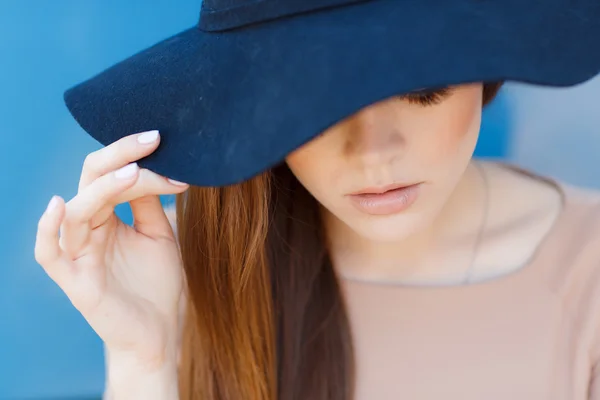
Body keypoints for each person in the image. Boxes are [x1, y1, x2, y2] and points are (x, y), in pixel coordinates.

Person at [34, 1, 600, 399]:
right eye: (314, 105)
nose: (374, 152)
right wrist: (144, 360)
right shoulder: (183, 270)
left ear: (486, 70)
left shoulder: (587, 271)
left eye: (421, 88)